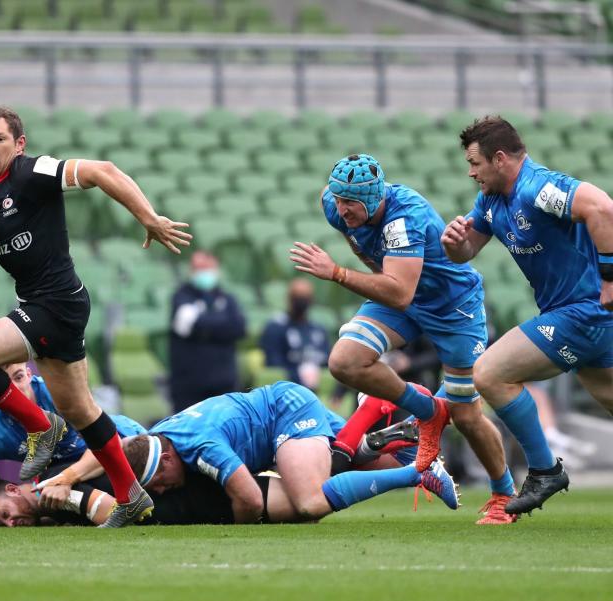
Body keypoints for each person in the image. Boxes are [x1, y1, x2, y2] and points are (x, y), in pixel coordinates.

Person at [0, 103, 191, 526]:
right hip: (51, 306)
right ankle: (130, 495)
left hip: (54, 303)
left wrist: (148, 218)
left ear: (18, 144)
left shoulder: (32, 172)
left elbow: (105, 171)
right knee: (82, 412)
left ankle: (41, 427)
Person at [290, 153, 516, 525]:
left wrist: (336, 273)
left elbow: (399, 293)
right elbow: (379, 267)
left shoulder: (403, 217)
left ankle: (504, 493)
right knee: (344, 362)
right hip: (404, 297)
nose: (342, 209)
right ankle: (428, 410)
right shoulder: (335, 206)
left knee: (467, 415)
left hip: (450, 307)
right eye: (338, 198)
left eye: (351, 202)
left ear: (375, 198)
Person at [442, 116, 613, 515]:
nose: (471, 173)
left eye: (475, 163)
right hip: (577, 316)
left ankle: (545, 469)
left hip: (583, 312)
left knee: (489, 373)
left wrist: (610, 279)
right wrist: (455, 245)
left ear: (499, 159)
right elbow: (468, 251)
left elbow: (602, 207)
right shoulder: (491, 201)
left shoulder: (538, 188)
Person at [121, 381, 458, 525]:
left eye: (159, 481)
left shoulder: (200, 446)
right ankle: (425, 410)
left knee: (310, 501)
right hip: (282, 407)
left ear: (166, 459)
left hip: (286, 414)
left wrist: (242, 529)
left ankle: (419, 474)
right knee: (386, 460)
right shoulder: (161, 433)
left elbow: (250, 500)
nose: (161, 491)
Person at [0, 362, 146, 528]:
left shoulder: (57, 393)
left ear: (29, 374)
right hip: (80, 471)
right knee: (48, 490)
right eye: (3, 386)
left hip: (130, 447)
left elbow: (106, 445)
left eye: (19, 377)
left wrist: (64, 479)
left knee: (48, 481)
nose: (15, 390)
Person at [168, 250, 247, 412]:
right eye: (198, 268)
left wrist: (204, 327)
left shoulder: (227, 299)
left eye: (207, 267)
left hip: (224, 383)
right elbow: (187, 325)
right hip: (189, 385)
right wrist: (221, 325)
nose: (203, 273)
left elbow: (239, 327)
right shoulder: (181, 296)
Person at [259, 278, 329, 390]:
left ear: (311, 300)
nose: (301, 301)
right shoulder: (275, 328)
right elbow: (273, 365)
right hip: (286, 390)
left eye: (305, 297)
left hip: (318, 391)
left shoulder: (318, 330)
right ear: (289, 298)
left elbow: (327, 362)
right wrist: (299, 377)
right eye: (298, 297)